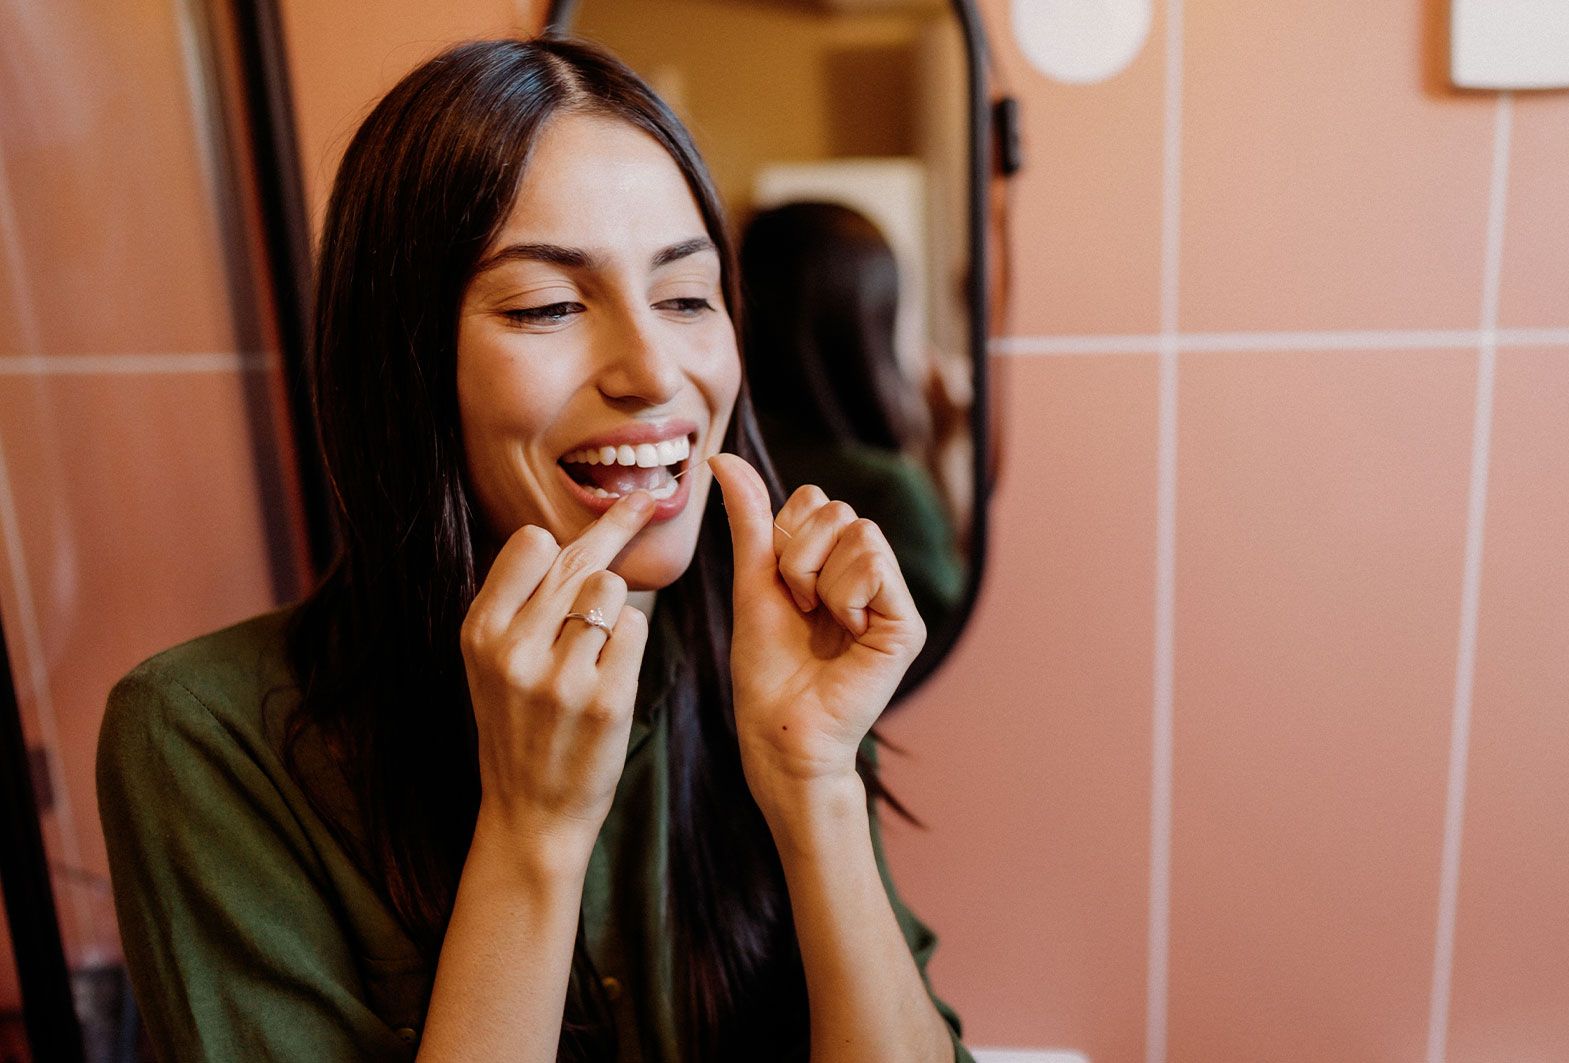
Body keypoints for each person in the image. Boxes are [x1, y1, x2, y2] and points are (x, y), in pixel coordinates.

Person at [96, 36, 971, 1063]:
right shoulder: (202, 736)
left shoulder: (772, 673)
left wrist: (816, 783)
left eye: (687, 297)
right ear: (407, 365)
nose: (653, 370)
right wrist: (531, 833)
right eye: (549, 306)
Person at [738, 202, 966, 639]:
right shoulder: (889, 490)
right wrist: (943, 456)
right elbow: (956, 642)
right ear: (870, 325)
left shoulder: (731, 463)